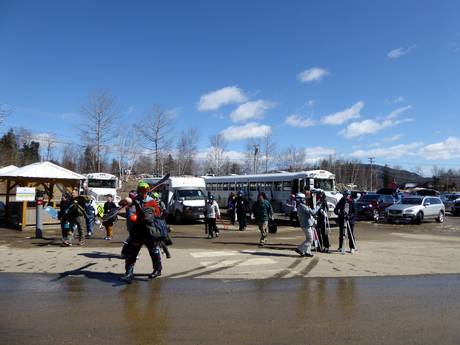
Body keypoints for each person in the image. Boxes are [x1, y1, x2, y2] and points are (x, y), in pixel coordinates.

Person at [121, 181, 164, 283]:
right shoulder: (136, 199)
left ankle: (157, 270)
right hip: (138, 230)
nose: (143, 192)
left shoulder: (152, 201)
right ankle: (129, 273)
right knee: (132, 252)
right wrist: (125, 201)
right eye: (141, 190)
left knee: (154, 251)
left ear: (147, 190)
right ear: (138, 191)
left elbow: (158, 214)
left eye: (144, 190)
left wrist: (152, 212)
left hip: (149, 231)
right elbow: (125, 203)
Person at [294, 192, 320, 257]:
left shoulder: (301, 205)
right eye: (303, 199)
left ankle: (307, 251)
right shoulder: (302, 206)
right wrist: (318, 206)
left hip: (307, 224)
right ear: (300, 199)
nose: (305, 200)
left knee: (309, 238)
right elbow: (312, 212)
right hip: (306, 225)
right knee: (310, 239)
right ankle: (300, 249)